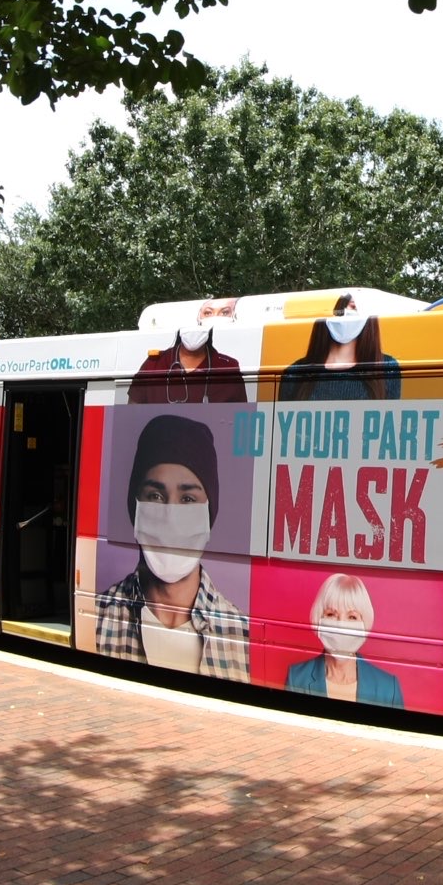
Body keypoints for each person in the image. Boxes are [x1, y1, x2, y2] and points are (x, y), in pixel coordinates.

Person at [94, 414, 249, 680]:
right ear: (135, 508)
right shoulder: (98, 616)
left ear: (209, 515)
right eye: (155, 495)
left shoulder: (241, 634)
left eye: (188, 498)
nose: (170, 516)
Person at [285, 572, 404, 708]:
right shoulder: (297, 678)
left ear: (364, 623)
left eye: (352, 617)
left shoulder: (388, 688)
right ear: (319, 619)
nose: (341, 625)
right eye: (331, 614)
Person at [279, 294, 401, 402]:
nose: (345, 314)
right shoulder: (294, 372)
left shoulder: (387, 368)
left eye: (353, 308)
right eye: (339, 310)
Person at [129, 297, 248, 404]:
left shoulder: (228, 367)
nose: (194, 331)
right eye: (207, 312)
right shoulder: (154, 364)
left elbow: (241, 417)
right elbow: (131, 413)